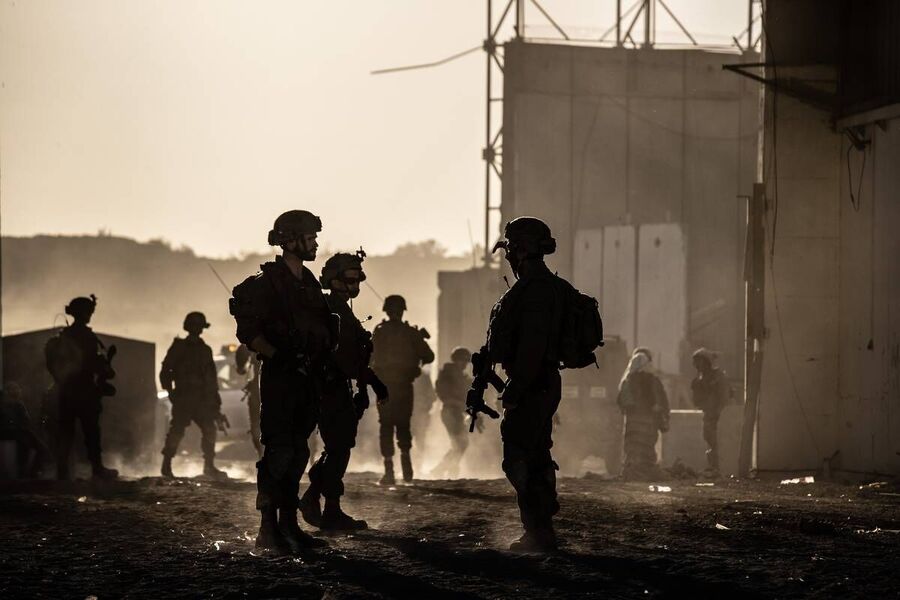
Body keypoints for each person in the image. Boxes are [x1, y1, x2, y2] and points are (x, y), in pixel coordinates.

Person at [229, 210, 336, 554]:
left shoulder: (309, 284)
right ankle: (268, 529)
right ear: (291, 240)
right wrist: (279, 356)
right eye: (310, 237)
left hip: (307, 377)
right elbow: (248, 332)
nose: (315, 242)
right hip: (280, 377)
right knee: (279, 451)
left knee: (299, 451)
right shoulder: (266, 284)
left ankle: (289, 526)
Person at [472, 217, 571, 552]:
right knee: (536, 452)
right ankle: (542, 522)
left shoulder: (535, 290)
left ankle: (538, 527)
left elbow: (532, 345)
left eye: (512, 248)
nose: (509, 255)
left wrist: (514, 388)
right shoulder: (540, 286)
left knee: (519, 456)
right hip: (538, 381)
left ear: (523, 249)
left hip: (532, 383)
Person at [299, 250, 387, 530]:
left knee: (338, 447)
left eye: (358, 279)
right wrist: (371, 380)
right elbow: (343, 357)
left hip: (339, 387)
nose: (355, 286)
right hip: (329, 386)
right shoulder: (332, 309)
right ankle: (329, 507)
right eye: (350, 279)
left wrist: (362, 385)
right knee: (338, 449)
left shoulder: (340, 308)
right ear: (334, 280)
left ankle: (316, 498)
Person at [44, 295, 118, 481]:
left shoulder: (64, 336)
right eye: (89, 311)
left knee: (66, 431)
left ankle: (62, 471)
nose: (90, 315)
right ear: (83, 313)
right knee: (91, 431)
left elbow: (52, 364)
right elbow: (91, 363)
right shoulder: (85, 336)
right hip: (84, 390)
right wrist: (105, 371)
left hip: (66, 390)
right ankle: (97, 469)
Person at [370, 295, 434, 484]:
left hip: (385, 386)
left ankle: (389, 471)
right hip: (404, 386)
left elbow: (370, 356)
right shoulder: (411, 333)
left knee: (386, 425)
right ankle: (406, 468)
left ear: (386, 311)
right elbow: (429, 356)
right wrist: (418, 345)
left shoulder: (380, 331)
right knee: (403, 424)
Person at [159, 312, 229, 480]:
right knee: (177, 430)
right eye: (195, 325)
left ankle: (209, 466)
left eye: (199, 326)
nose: (197, 329)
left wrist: (215, 404)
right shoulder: (179, 347)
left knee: (209, 429)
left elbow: (211, 379)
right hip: (184, 397)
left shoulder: (205, 350)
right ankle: (166, 464)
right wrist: (170, 392)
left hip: (202, 399)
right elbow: (165, 371)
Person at [617, 348, 670, 480]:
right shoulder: (653, 380)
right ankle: (646, 472)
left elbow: (623, 403)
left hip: (632, 425)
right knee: (648, 450)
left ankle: (632, 473)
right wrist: (663, 419)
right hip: (649, 425)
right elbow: (662, 402)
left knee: (633, 451)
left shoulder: (627, 381)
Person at [432, 347, 474, 478]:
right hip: (450, 412)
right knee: (460, 443)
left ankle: (450, 470)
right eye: (463, 361)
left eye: (466, 362)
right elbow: (444, 395)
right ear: (456, 360)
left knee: (460, 443)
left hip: (456, 412)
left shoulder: (459, 375)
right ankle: (442, 469)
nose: (465, 364)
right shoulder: (448, 373)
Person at [690, 348, 731, 476]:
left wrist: (719, 411)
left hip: (719, 414)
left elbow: (724, 396)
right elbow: (697, 400)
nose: (697, 365)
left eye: (699, 362)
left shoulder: (717, 376)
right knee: (709, 438)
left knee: (716, 440)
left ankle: (717, 468)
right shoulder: (700, 379)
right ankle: (713, 467)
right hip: (710, 414)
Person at [0, 383, 49, 478]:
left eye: (18, 389)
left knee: (30, 444)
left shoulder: (16, 404)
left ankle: (29, 470)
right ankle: (29, 471)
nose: (19, 391)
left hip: (16, 431)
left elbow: (25, 420)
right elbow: (25, 420)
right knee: (35, 446)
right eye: (15, 389)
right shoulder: (15, 404)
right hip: (15, 432)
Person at [235, 344, 263, 458]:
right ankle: (262, 456)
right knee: (257, 426)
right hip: (259, 392)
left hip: (264, 391)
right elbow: (241, 368)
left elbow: (241, 369)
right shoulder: (253, 343)